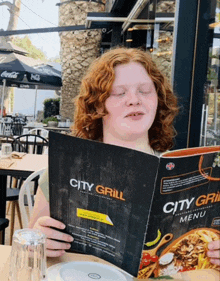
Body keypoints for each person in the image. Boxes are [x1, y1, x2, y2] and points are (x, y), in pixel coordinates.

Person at [29, 47, 220, 266]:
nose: (134, 100)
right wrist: (37, 240)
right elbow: (28, 252)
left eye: (145, 90)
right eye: (119, 93)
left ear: (158, 100)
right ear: (98, 105)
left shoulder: (189, 174)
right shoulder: (63, 171)